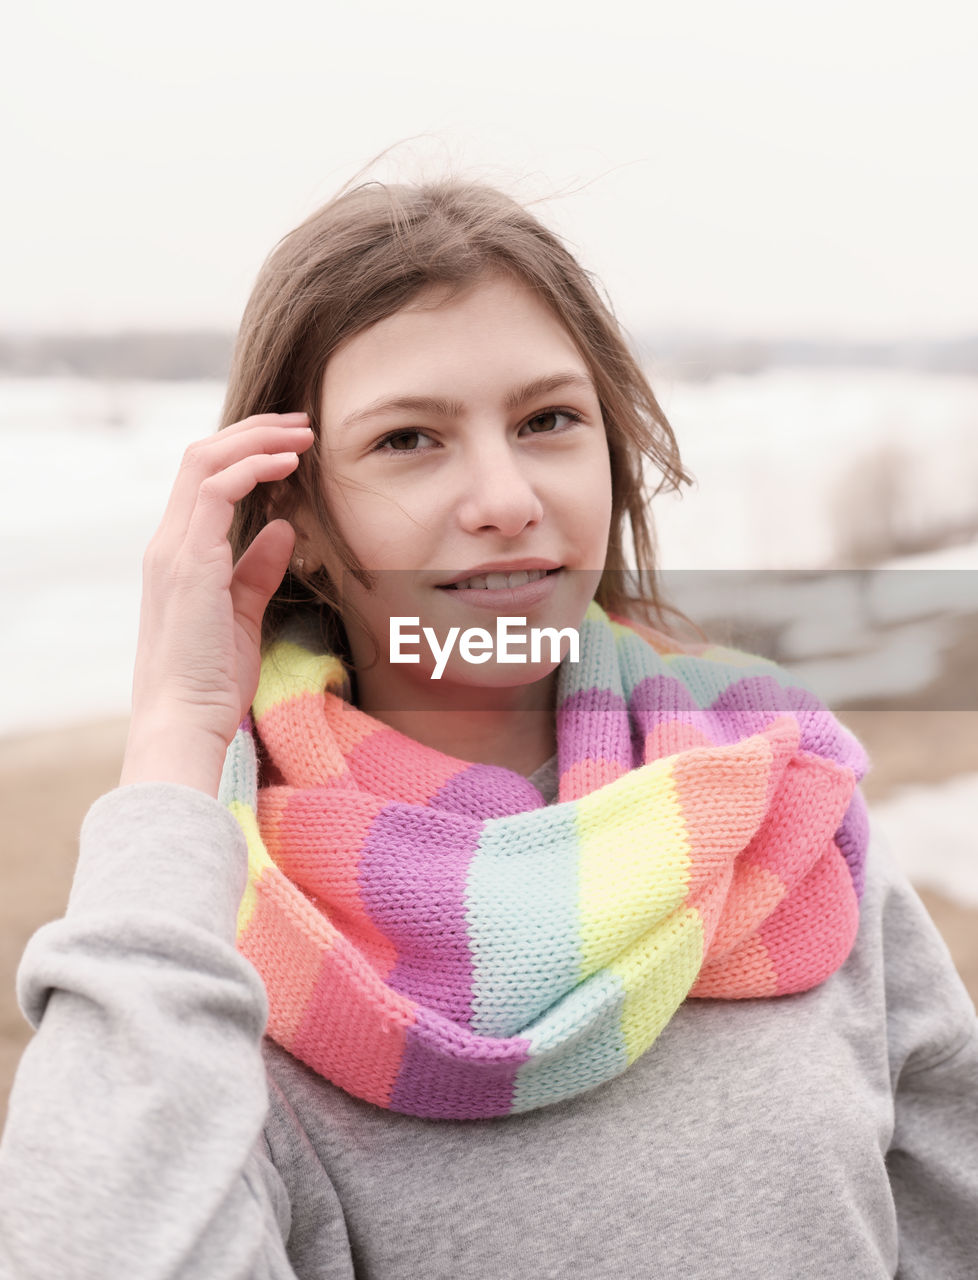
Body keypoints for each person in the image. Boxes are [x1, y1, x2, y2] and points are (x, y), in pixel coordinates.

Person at [1, 175, 976, 1280]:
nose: (507, 493)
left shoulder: (779, 797)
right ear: (300, 520)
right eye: (411, 438)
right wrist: (174, 743)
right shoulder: (216, 914)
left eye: (548, 420)